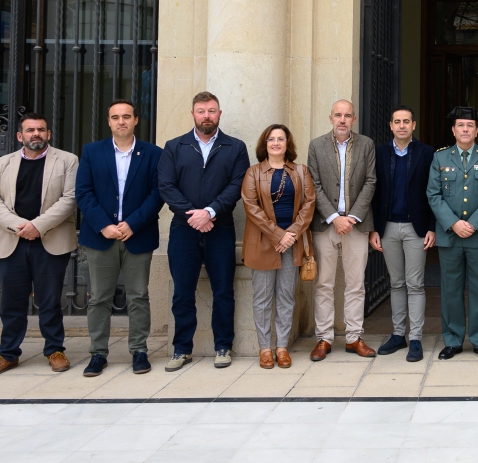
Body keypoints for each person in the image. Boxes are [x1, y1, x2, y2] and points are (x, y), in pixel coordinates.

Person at [0, 113, 79, 376]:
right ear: (19, 136)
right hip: (12, 241)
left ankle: (55, 350)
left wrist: (38, 226)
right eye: (30, 130)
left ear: (49, 134)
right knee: (12, 302)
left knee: (50, 301)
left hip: (50, 240)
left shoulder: (68, 160)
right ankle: (8, 354)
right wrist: (18, 226)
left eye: (41, 130)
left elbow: (69, 199)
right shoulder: (3, 163)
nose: (36, 134)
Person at [158, 91, 250, 371]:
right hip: (183, 230)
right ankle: (181, 348)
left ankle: (223, 346)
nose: (206, 116)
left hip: (219, 227)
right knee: (182, 292)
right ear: (193, 114)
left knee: (223, 291)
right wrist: (193, 215)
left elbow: (238, 185)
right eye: (201, 111)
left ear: (219, 114)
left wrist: (210, 212)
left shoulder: (235, 147)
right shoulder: (175, 146)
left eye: (211, 111)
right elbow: (166, 186)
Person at [75, 99, 164, 377]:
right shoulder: (92, 152)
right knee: (99, 298)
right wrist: (104, 225)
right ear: (109, 121)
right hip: (101, 237)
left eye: (126, 116)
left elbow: (157, 193)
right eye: (116, 117)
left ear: (136, 120)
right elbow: (83, 193)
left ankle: (139, 350)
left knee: (138, 296)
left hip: (138, 236)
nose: (121, 121)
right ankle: (98, 354)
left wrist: (133, 224)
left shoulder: (153, 154)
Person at [427, 106, 478, 360]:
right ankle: (452, 340)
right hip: (450, 235)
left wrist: (473, 224)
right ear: (453, 130)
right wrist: (453, 223)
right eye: (460, 125)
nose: (465, 129)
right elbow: (433, 194)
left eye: (470, 126)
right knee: (450, 289)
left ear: (477, 130)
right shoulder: (440, 158)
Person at [306, 100, 377, 360]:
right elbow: (313, 183)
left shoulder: (366, 144)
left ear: (354, 119)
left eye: (347, 115)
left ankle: (353, 337)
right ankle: (323, 339)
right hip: (325, 224)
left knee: (355, 284)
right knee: (323, 284)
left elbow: (371, 181)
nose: (343, 120)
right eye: (338, 115)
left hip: (357, 225)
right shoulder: (316, 145)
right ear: (330, 117)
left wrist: (353, 217)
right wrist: (335, 217)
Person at [242, 124, 317, 369]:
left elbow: (309, 204)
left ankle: (282, 347)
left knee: (286, 296)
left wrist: (291, 234)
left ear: (287, 143)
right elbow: (251, 207)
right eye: (271, 139)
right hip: (264, 243)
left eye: (280, 139)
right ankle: (265, 349)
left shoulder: (300, 171)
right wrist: (278, 235)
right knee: (262, 298)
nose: (276, 143)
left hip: (292, 244)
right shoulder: (253, 173)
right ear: (265, 144)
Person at [370, 106, 435, 363]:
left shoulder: (427, 153)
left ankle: (416, 338)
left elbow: (433, 192)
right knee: (396, 283)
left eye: (406, 122)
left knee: (415, 284)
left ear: (414, 125)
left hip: (415, 228)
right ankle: (398, 335)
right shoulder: (380, 153)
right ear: (390, 125)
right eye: (397, 122)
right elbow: (374, 193)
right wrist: (373, 228)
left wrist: (431, 227)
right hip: (387, 227)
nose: (401, 126)